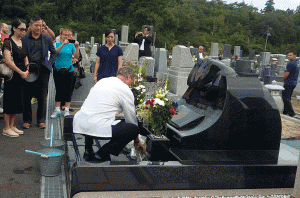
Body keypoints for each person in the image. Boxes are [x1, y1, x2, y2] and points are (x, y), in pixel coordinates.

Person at [74, 66, 146, 162]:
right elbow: (131, 119)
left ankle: (88, 150)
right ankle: (102, 153)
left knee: (94, 114)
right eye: (131, 82)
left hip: (80, 121)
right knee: (133, 129)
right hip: (96, 125)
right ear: (129, 77)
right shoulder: (124, 88)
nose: (130, 86)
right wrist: (136, 141)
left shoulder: (102, 81)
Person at [21, 16, 56, 129]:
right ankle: (27, 120)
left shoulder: (46, 39)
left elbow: (53, 52)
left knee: (42, 96)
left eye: (41, 25)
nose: (39, 28)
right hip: (28, 68)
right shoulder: (24, 39)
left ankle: (41, 120)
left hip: (43, 68)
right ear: (30, 26)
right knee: (26, 95)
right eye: (36, 25)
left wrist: (49, 64)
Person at [2, 19, 29, 137]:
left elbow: (25, 57)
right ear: (14, 28)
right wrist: (20, 72)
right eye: (21, 29)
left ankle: (12, 125)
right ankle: (6, 128)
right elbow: (7, 60)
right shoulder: (8, 42)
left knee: (18, 100)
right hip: (12, 75)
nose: (23, 31)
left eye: (25, 29)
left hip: (21, 74)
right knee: (9, 100)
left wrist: (27, 69)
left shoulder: (22, 42)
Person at [50, 29, 80, 118]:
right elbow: (55, 53)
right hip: (58, 70)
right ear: (61, 35)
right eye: (65, 35)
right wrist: (63, 44)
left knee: (68, 90)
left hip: (69, 70)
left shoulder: (71, 46)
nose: (66, 37)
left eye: (68, 35)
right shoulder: (56, 44)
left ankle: (66, 109)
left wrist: (77, 46)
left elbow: (76, 56)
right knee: (59, 89)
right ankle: (57, 109)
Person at [282, 51, 299, 117]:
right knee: (288, 97)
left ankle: (292, 113)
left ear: (295, 55)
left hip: (289, 82)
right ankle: (285, 111)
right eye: (288, 55)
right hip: (294, 82)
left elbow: (286, 74)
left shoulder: (290, 64)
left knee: (285, 97)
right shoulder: (297, 63)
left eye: (290, 55)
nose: (289, 57)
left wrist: (283, 79)